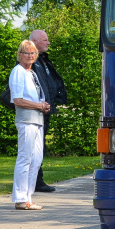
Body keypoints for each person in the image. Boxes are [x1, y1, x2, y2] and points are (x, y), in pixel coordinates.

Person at [10, 39, 51, 210]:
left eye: (33, 53)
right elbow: (18, 100)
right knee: (25, 158)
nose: (30, 56)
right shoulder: (18, 72)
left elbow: (35, 96)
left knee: (36, 158)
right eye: (26, 53)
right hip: (26, 120)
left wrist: (44, 105)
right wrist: (39, 106)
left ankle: (28, 197)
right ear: (20, 55)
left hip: (37, 120)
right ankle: (20, 198)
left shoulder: (32, 73)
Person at [30, 29, 67, 193]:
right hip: (36, 112)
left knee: (40, 147)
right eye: (45, 40)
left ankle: (36, 180)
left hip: (44, 111)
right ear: (35, 42)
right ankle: (36, 181)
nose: (48, 42)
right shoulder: (31, 63)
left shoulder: (42, 61)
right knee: (34, 147)